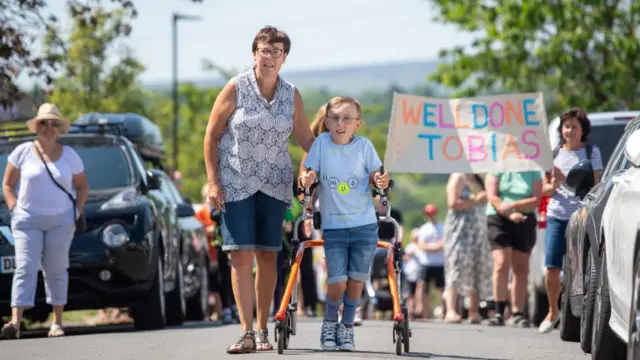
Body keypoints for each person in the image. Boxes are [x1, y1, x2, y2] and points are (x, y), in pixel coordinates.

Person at [203, 26, 315, 353]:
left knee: (269, 255)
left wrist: (337, 153)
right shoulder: (235, 87)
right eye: (264, 51)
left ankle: (264, 329)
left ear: (284, 58)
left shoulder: (291, 93)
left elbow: (306, 139)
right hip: (235, 181)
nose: (269, 57)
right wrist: (212, 181)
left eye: (275, 52)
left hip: (275, 182)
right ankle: (246, 331)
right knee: (240, 254)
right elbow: (211, 136)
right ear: (254, 53)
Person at [300, 95, 390, 351]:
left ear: (357, 124)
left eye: (347, 119)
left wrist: (380, 180)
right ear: (327, 121)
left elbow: (376, 174)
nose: (341, 123)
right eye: (336, 118)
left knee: (356, 282)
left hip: (363, 226)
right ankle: (330, 322)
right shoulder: (321, 145)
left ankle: (347, 327)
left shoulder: (364, 147)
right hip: (334, 226)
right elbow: (311, 171)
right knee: (337, 281)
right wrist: (308, 179)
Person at [0, 103, 89, 339]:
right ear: (36, 126)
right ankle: (15, 322)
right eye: (43, 123)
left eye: (53, 123)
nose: (48, 128)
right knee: (25, 266)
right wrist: (14, 208)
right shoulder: (22, 152)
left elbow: (82, 187)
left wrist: (76, 213)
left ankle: (57, 322)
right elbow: (7, 185)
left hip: (61, 221)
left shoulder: (69, 155)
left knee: (57, 267)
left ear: (59, 128)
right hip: (27, 220)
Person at [538, 108, 602, 333]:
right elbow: (544, 189)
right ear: (561, 130)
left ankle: (581, 313)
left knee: (582, 268)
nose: (570, 131)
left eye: (575, 126)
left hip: (581, 217)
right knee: (552, 267)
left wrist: (567, 181)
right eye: (567, 126)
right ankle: (552, 311)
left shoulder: (591, 152)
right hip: (557, 215)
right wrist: (554, 185)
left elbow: (595, 187)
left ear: (583, 130)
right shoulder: (554, 154)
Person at [485, 171, 543, 327]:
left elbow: (536, 199)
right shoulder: (498, 167)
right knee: (501, 263)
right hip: (499, 218)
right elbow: (492, 196)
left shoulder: (533, 171)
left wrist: (514, 206)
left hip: (524, 218)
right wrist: (509, 214)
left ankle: (518, 313)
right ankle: (499, 311)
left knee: (521, 267)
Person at [442, 173, 492, 324]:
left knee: (477, 267)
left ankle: (474, 311)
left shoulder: (481, 178)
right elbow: (452, 203)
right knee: (456, 266)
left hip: (479, 229)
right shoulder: (458, 176)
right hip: (460, 230)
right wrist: (476, 199)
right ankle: (451, 310)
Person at [415, 204, 445, 320]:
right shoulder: (424, 229)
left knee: (440, 288)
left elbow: (443, 243)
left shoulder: (442, 227)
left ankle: (443, 310)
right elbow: (421, 245)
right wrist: (436, 246)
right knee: (423, 287)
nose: (431, 216)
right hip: (426, 263)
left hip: (439, 263)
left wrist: (432, 246)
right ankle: (424, 312)